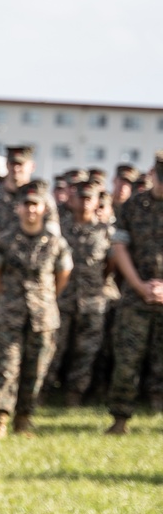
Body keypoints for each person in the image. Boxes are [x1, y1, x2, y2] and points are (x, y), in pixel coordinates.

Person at [0, 145, 53, 421]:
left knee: (24, 356)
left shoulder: (41, 201)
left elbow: (54, 246)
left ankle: (18, 412)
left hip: (27, 294)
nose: (17, 169)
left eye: (22, 164)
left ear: (31, 167)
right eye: (12, 164)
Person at [0, 180, 72, 438]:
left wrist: (48, 297)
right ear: (18, 209)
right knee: (5, 368)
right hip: (9, 313)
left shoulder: (56, 242)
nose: (31, 210)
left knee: (36, 370)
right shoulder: (5, 240)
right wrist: (6, 296)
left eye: (36, 205)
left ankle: (23, 419)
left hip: (43, 317)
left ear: (44, 208)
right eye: (26, 205)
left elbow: (64, 272)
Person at [105, 151, 163, 434]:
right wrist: (140, 285)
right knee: (127, 360)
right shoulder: (132, 206)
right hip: (135, 296)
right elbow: (119, 248)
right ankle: (120, 419)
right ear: (153, 174)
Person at [51, 179, 115, 407]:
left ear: (97, 201)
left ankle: (74, 396)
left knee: (86, 351)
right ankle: (42, 392)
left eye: (90, 198)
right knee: (54, 348)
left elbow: (110, 265)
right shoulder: (59, 229)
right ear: (72, 199)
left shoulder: (105, 232)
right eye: (81, 197)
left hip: (92, 301)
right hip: (62, 299)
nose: (85, 202)